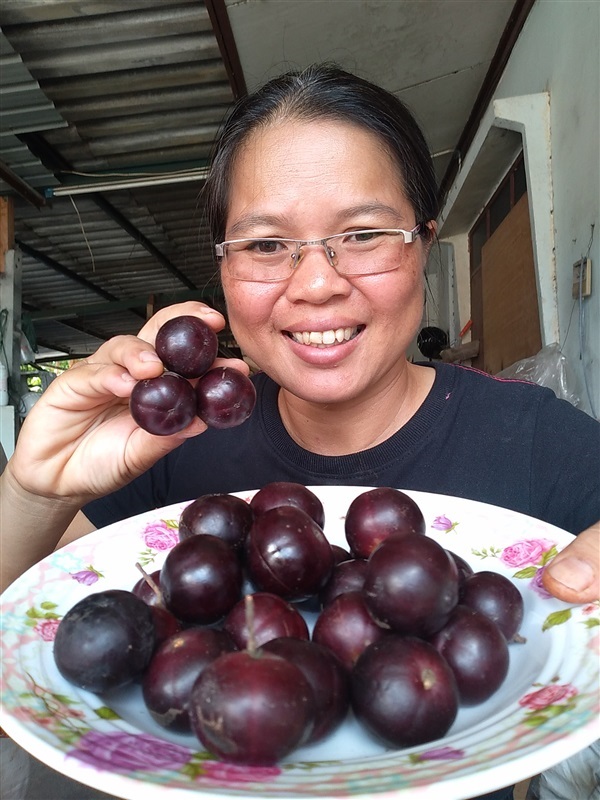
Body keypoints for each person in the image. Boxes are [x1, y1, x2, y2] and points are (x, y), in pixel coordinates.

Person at [1, 64, 598, 800]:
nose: (316, 283)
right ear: (221, 271)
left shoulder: (539, 439)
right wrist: (34, 491)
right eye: (265, 245)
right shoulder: (170, 449)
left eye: (364, 233)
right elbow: (28, 639)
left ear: (423, 244)